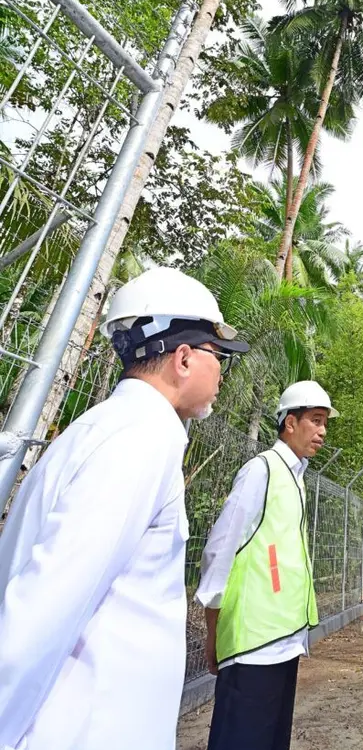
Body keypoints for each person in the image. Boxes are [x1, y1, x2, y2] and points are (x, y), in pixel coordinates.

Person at [0, 267, 248, 750]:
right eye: (217, 356)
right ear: (182, 359)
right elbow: (41, 611)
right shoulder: (138, 443)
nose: (221, 371)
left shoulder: (109, 431)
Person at [198, 379, 339, 750]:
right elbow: (220, 550)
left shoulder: (296, 477)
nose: (322, 431)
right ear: (289, 423)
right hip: (251, 646)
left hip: (283, 642)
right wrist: (213, 631)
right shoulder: (261, 471)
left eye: (325, 422)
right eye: (315, 420)